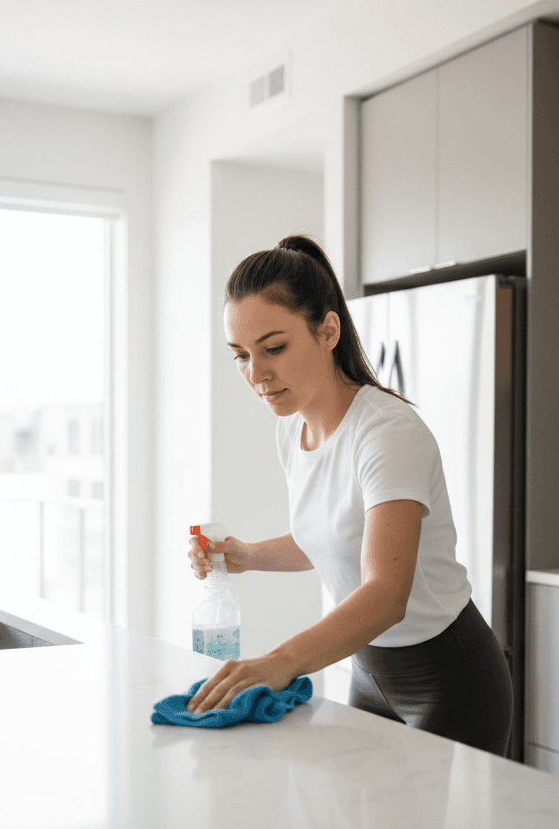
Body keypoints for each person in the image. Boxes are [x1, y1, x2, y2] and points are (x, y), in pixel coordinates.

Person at [185, 235, 512, 757]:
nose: (256, 374)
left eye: (274, 348)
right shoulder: (292, 429)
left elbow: (386, 594)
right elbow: (333, 536)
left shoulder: (386, 432)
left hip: (450, 679)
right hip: (368, 671)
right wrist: (247, 556)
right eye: (241, 355)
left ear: (328, 330)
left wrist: (279, 661)